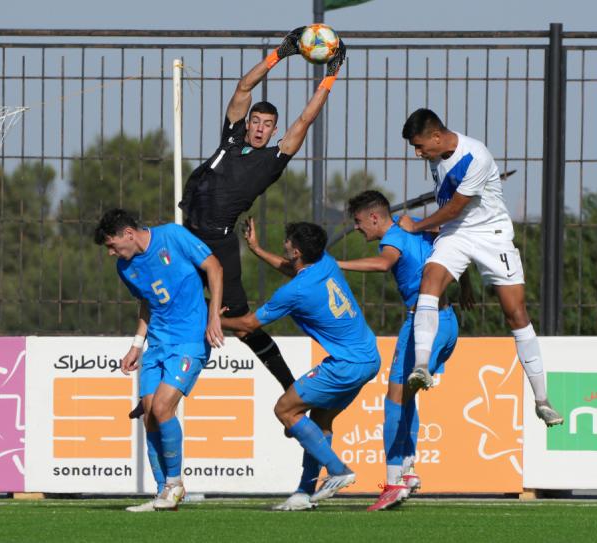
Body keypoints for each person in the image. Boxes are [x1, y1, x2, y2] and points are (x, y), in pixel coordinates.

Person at [177, 27, 346, 394]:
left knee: (243, 325)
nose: (259, 128)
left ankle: (290, 385)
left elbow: (304, 121)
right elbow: (242, 88)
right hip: (185, 235)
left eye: (267, 125)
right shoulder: (232, 137)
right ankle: (164, 365)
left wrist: (330, 76)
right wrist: (279, 55)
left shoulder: (274, 159)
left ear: (273, 132)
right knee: (161, 294)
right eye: (256, 121)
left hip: (219, 245)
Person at [397, 108, 563, 426]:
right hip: (456, 234)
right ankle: (421, 367)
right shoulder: (434, 157)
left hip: (492, 236)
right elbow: (452, 215)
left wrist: (416, 226)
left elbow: (454, 208)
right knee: (429, 283)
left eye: (420, 146)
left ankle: (542, 399)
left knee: (515, 313)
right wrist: (465, 278)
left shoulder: (476, 155)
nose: (418, 154)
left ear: (436, 136)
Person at [222, 220, 380, 510]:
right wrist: (256, 249)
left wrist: (206, 319)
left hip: (346, 364)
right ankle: (303, 494)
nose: (283, 244)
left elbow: (247, 325)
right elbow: (290, 269)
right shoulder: (326, 262)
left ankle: (338, 470)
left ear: (296, 251)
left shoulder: (293, 293)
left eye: (286, 242)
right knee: (320, 421)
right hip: (369, 357)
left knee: (285, 409)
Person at [337, 189, 470, 511]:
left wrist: (336, 264)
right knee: (408, 394)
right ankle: (408, 471)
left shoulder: (393, 238)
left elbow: (385, 264)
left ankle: (393, 481)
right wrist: (466, 286)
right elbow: (456, 245)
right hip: (448, 321)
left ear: (373, 217)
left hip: (422, 323)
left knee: (393, 400)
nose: (357, 229)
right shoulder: (413, 226)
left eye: (358, 223)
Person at [93, 209, 224, 512]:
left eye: (113, 245)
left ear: (128, 233)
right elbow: (147, 303)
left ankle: (175, 485)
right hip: (157, 344)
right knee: (150, 413)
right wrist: (137, 345)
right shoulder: (125, 269)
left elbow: (214, 267)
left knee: (164, 406)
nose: (112, 253)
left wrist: (213, 315)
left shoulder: (172, 236)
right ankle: (162, 492)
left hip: (190, 339)